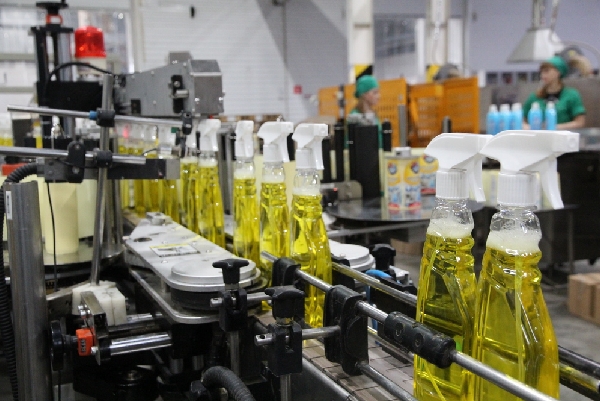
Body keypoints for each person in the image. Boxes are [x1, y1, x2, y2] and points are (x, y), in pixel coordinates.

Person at [523, 55, 586, 130]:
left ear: (558, 72)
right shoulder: (535, 96)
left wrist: (553, 128)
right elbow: (521, 119)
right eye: (541, 72)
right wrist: (529, 127)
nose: (542, 75)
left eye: (546, 71)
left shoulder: (571, 95)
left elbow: (580, 122)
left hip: (563, 136)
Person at [349, 74, 382, 147]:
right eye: (375, 92)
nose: (378, 96)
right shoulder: (355, 116)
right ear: (364, 94)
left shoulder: (373, 114)